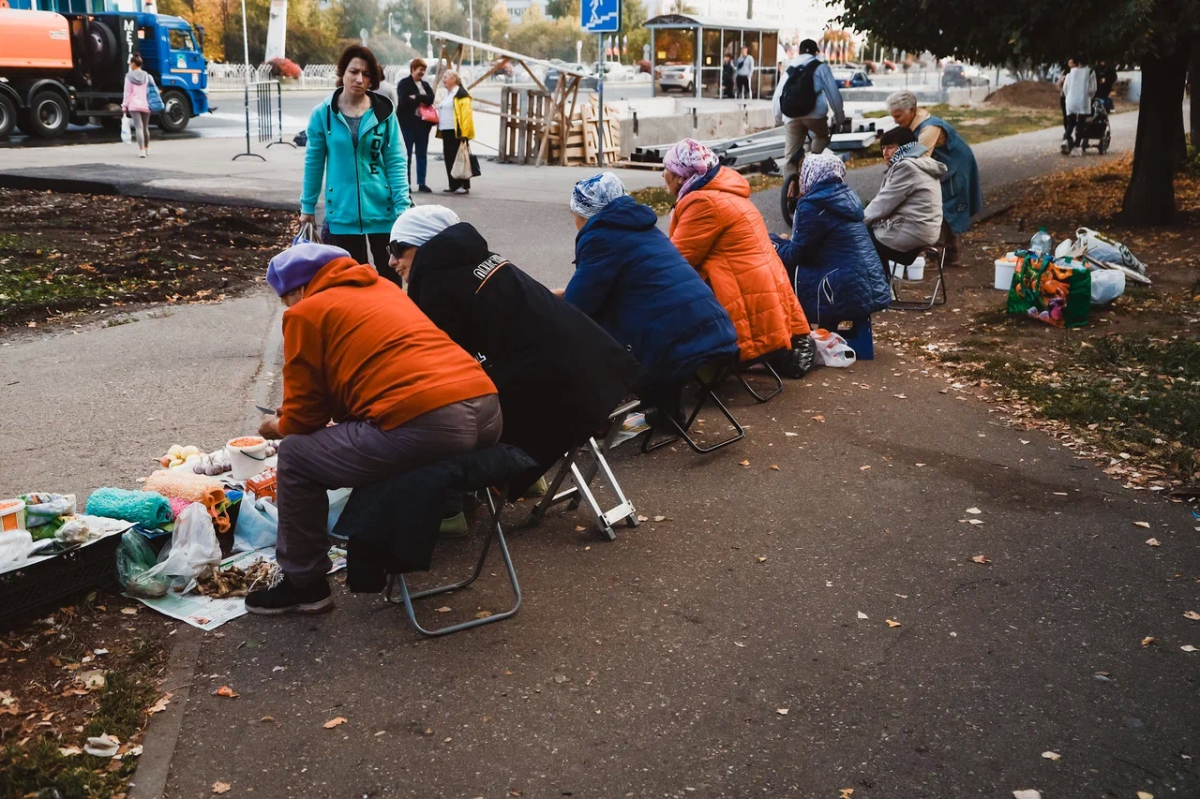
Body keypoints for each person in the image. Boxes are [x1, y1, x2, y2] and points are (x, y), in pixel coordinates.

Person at [246, 243, 500, 615]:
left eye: (285, 300)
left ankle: (304, 584)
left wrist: (275, 426)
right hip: (487, 409)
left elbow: (302, 420)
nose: (288, 308)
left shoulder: (306, 312)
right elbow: (381, 370)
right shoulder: (383, 289)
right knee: (357, 436)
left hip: (429, 423)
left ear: (297, 290)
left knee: (298, 455)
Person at [388, 204, 643, 495]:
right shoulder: (482, 259)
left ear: (424, 246)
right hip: (603, 371)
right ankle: (527, 473)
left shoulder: (439, 284)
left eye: (398, 249)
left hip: (568, 395)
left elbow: (435, 368)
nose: (392, 261)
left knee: (444, 411)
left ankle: (451, 507)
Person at [564, 172, 739, 418]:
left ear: (585, 214)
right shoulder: (642, 227)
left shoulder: (600, 237)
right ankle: (668, 412)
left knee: (584, 332)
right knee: (646, 315)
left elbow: (577, 305)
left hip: (679, 351)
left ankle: (594, 416)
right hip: (718, 334)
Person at [664, 139, 810, 365]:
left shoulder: (703, 201)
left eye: (668, 169)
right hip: (762, 291)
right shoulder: (721, 192)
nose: (664, 174)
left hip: (744, 294)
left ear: (681, 176)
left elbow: (676, 260)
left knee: (662, 302)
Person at [300, 45, 410, 288]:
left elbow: (395, 161)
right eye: (353, 71)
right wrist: (307, 206)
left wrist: (403, 205)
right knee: (352, 284)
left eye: (366, 74)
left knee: (390, 280)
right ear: (342, 73)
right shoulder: (323, 114)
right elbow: (314, 163)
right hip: (342, 213)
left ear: (373, 79)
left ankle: (390, 325)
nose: (359, 79)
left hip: (384, 212)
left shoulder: (384, 113)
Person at [770, 153, 891, 325]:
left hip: (843, 289)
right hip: (872, 287)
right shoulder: (845, 196)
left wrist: (773, 243)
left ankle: (791, 328)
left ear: (811, 174)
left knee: (782, 267)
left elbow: (795, 255)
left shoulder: (812, 204)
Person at [886, 89, 981, 266]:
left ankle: (940, 252)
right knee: (940, 205)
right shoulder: (914, 124)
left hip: (955, 166)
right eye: (893, 116)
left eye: (898, 116)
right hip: (942, 165)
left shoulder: (929, 128)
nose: (896, 121)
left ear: (912, 111)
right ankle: (948, 252)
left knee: (941, 206)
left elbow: (919, 160)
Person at [862, 126, 947, 266]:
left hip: (911, 233)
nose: (885, 152)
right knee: (866, 236)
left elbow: (883, 204)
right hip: (922, 230)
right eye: (883, 147)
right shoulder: (919, 164)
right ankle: (881, 283)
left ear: (906, 147)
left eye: (890, 147)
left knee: (857, 240)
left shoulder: (907, 167)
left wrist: (857, 221)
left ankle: (878, 286)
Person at [773, 39, 846, 184]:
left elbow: (778, 96)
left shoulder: (790, 68)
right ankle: (812, 161)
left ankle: (790, 189)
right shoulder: (821, 68)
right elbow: (834, 95)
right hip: (815, 115)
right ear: (816, 52)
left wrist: (778, 119)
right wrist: (839, 119)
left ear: (799, 51)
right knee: (821, 137)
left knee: (789, 156)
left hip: (791, 115)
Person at [397, 58, 435, 194]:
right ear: (413, 69)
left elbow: (431, 98)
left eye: (424, 70)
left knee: (422, 154)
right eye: (420, 69)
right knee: (406, 155)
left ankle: (422, 183)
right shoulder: (404, 83)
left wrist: (417, 97)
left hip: (423, 126)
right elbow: (404, 101)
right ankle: (406, 183)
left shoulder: (425, 84)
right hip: (407, 125)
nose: (423, 72)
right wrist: (421, 99)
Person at [436, 69, 475, 195]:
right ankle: (452, 184)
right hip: (446, 130)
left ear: (453, 79)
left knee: (460, 158)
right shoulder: (448, 94)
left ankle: (463, 185)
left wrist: (465, 133)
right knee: (449, 158)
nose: (443, 80)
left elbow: (466, 115)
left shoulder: (461, 94)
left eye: (446, 77)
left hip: (457, 131)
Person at [121, 54, 157, 158]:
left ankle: (141, 150)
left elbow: (127, 93)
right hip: (146, 104)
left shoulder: (129, 76)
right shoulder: (147, 76)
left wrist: (124, 105)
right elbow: (152, 90)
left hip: (134, 105)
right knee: (145, 127)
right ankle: (146, 147)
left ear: (133, 64)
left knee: (138, 127)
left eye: (130, 63)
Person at [1061, 57, 1097, 156]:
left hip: (1070, 101)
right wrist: (1089, 97)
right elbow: (1093, 89)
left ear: (1078, 63)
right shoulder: (1090, 73)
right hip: (1083, 101)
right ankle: (1076, 147)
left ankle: (1066, 140)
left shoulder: (1070, 74)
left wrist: (1069, 97)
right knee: (1080, 125)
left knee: (1070, 123)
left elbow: (1065, 89)